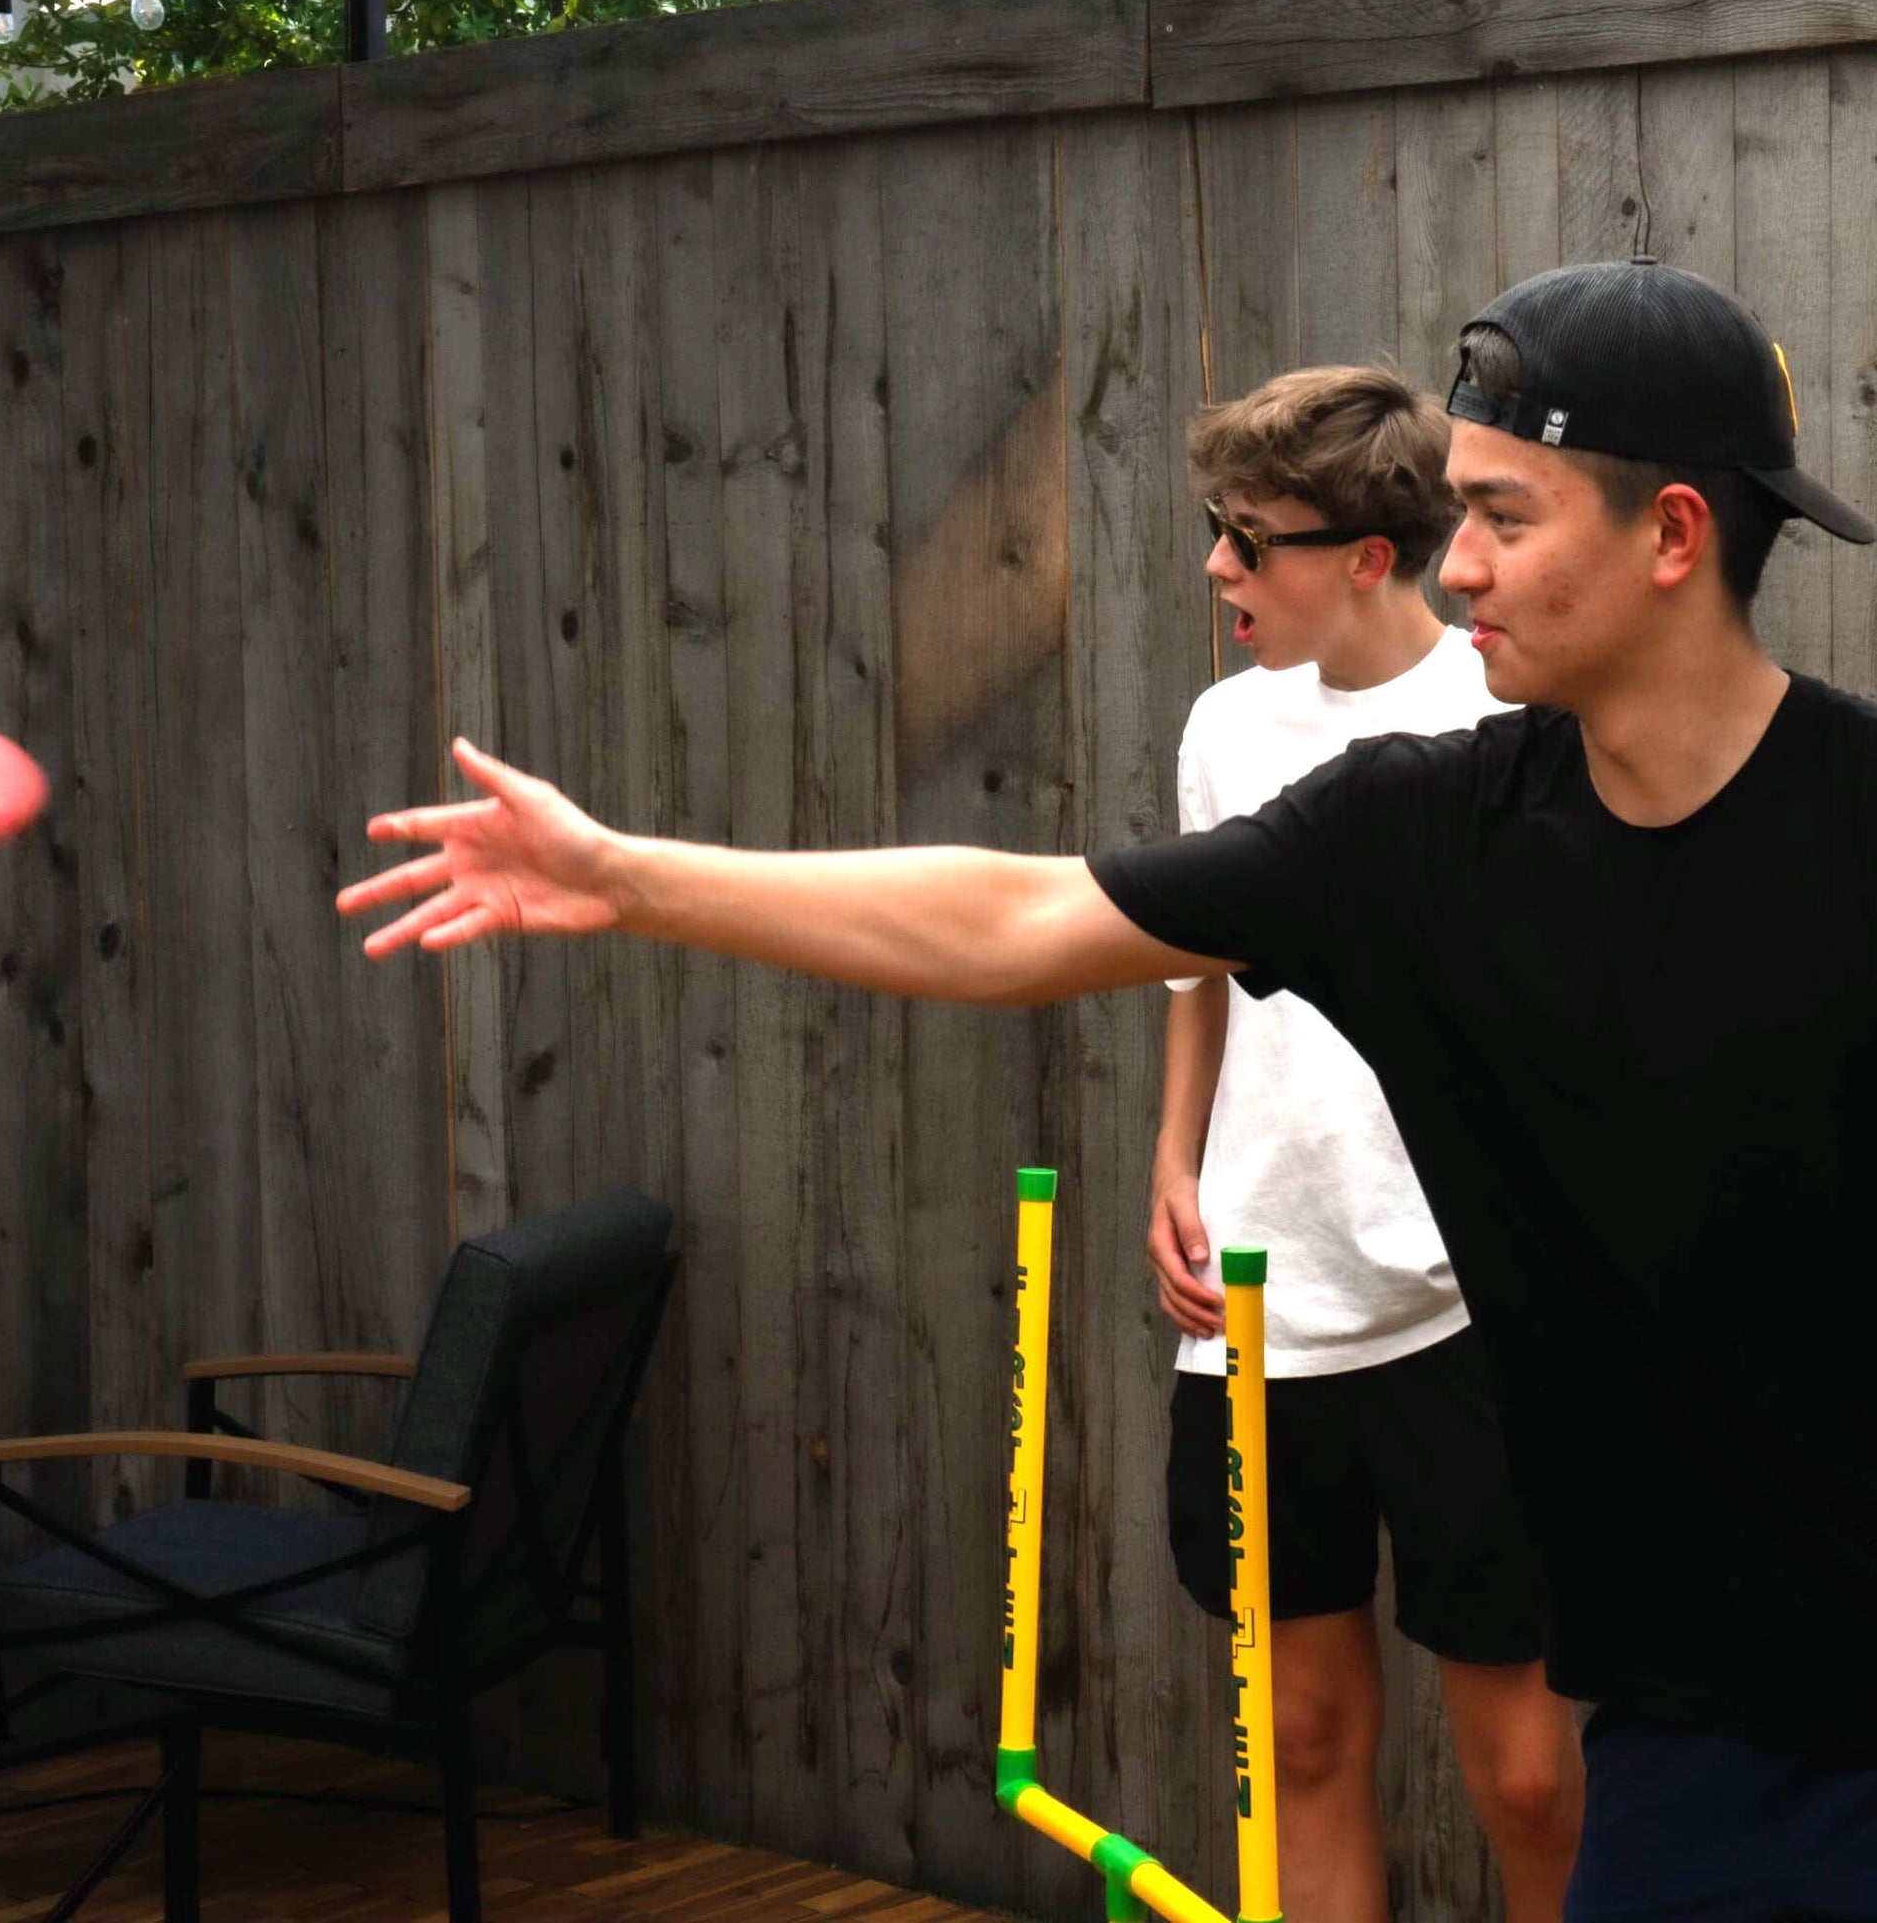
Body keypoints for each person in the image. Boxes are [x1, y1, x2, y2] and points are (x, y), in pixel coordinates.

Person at [340, 259, 1877, 1921]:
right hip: (1716, 1741)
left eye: (1505, 516)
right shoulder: (1416, 840)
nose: (1459, 563)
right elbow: (1019, 913)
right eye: (1456, 513)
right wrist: (631, 878)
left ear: (1669, 535)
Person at [1152, 365, 1580, 1923]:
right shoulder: (1222, 729)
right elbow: (1192, 965)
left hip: (1466, 1311)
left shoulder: (1504, 713)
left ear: (1364, 556)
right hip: (1258, 1313)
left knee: (1525, 1766)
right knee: (1305, 1729)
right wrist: (1171, 1161)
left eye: (1245, 539)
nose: (1216, 569)